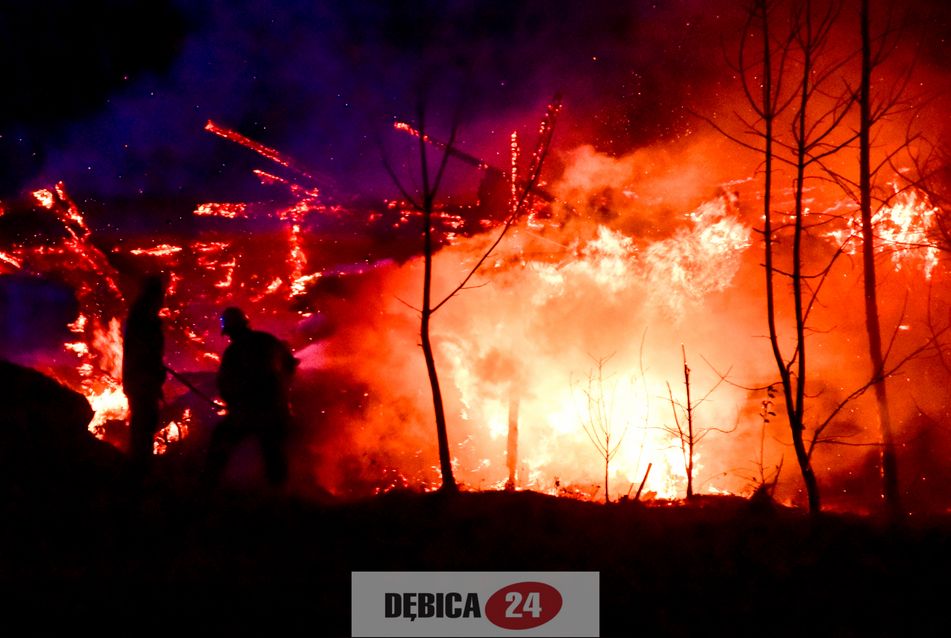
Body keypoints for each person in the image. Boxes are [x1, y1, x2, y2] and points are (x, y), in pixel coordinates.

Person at [205, 307, 298, 488]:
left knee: (221, 440)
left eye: (229, 333)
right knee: (273, 453)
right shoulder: (267, 340)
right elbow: (290, 366)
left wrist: (233, 404)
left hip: (250, 412)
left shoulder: (234, 352)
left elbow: (225, 384)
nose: (229, 337)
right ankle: (281, 498)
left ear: (231, 330)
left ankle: (208, 488)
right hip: (276, 409)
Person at [122, 274, 167, 477]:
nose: (163, 299)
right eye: (161, 294)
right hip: (142, 380)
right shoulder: (145, 317)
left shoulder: (141, 314)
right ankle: (140, 470)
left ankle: (139, 466)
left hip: (139, 379)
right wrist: (154, 375)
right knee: (144, 423)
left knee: (144, 423)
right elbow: (145, 352)